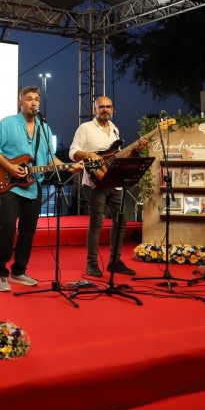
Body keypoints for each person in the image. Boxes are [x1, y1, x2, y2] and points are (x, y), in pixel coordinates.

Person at [0, 85, 82, 293]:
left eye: (36, 98)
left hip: (33, 186)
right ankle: (0, 272)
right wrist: (10, 167)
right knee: (8, 228)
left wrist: (69, 167)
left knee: (28, 231)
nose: (33, 102)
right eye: (29, 98)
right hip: (11, 186)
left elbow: (50, 158)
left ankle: (19, 271)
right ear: (20, 102)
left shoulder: (44, 128)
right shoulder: (8, 123)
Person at [69, 96, 147, 278]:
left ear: (113, 109)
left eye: (108, 106)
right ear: (94, 109)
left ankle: (115, 262)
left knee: (121, 221)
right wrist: (88, 154)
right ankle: (92, 264)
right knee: (97, 223)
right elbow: (72, 153)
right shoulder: (85, 128)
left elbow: (115, 158)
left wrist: (135, 151)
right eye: (101, 106)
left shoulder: (114, 129)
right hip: (94, 183)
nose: (105, 109)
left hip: (115, 182)